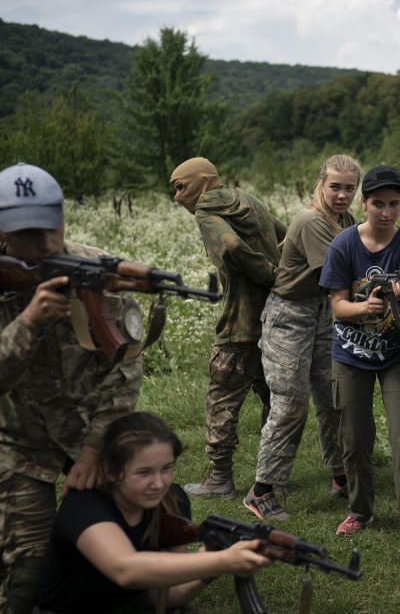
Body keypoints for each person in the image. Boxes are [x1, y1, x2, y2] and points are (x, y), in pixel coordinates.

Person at [0, 163, 142, 613]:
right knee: (25, 571)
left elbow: (125, 371)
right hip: (17, 441)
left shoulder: (98, 273)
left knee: (136, 522)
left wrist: (95, 448)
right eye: (27, 233)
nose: (45, 243)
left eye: (51, 227)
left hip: (90, 431)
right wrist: (28, 324)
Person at [34, 412, 272, 614]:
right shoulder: (85, 506)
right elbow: (125, 569)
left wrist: (212, 567)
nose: (159, 484)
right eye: (143, 472)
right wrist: (222, 559)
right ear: (111, 469)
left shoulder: (172, 501)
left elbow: (165, 597)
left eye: (166, 468)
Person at [317, 165, 400, 557]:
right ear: (364, 203)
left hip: (398, 354)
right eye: (377, 203)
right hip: (351, 355)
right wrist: (366, 307)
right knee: (355, 437)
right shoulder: (345, 244)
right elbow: (337, 306)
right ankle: (360, 511)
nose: (386, 211)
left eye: (394, 203)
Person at [244, 154, 360, 522]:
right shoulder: (311, 220)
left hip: (323, 313)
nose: (342, 195)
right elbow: (338, 273)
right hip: (289, 316)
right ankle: (261, 490)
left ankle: (341, 476)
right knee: (291, 404)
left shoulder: (345, 220)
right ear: (320, 184)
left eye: (349, 188)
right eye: (335, 187)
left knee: (333, 395)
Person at [170, 158, 286, 498]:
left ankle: (219, 478)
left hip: (240, 323)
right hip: (274, 317)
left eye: (180, 186)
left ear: (200, 182)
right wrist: (282, 278)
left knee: (222, 398)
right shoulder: (246, 200)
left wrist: (266, 273)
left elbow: (232, 248)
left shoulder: (207, 210)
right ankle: (272, 474)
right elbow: (285, 234)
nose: (178, 195)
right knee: (273, 398)